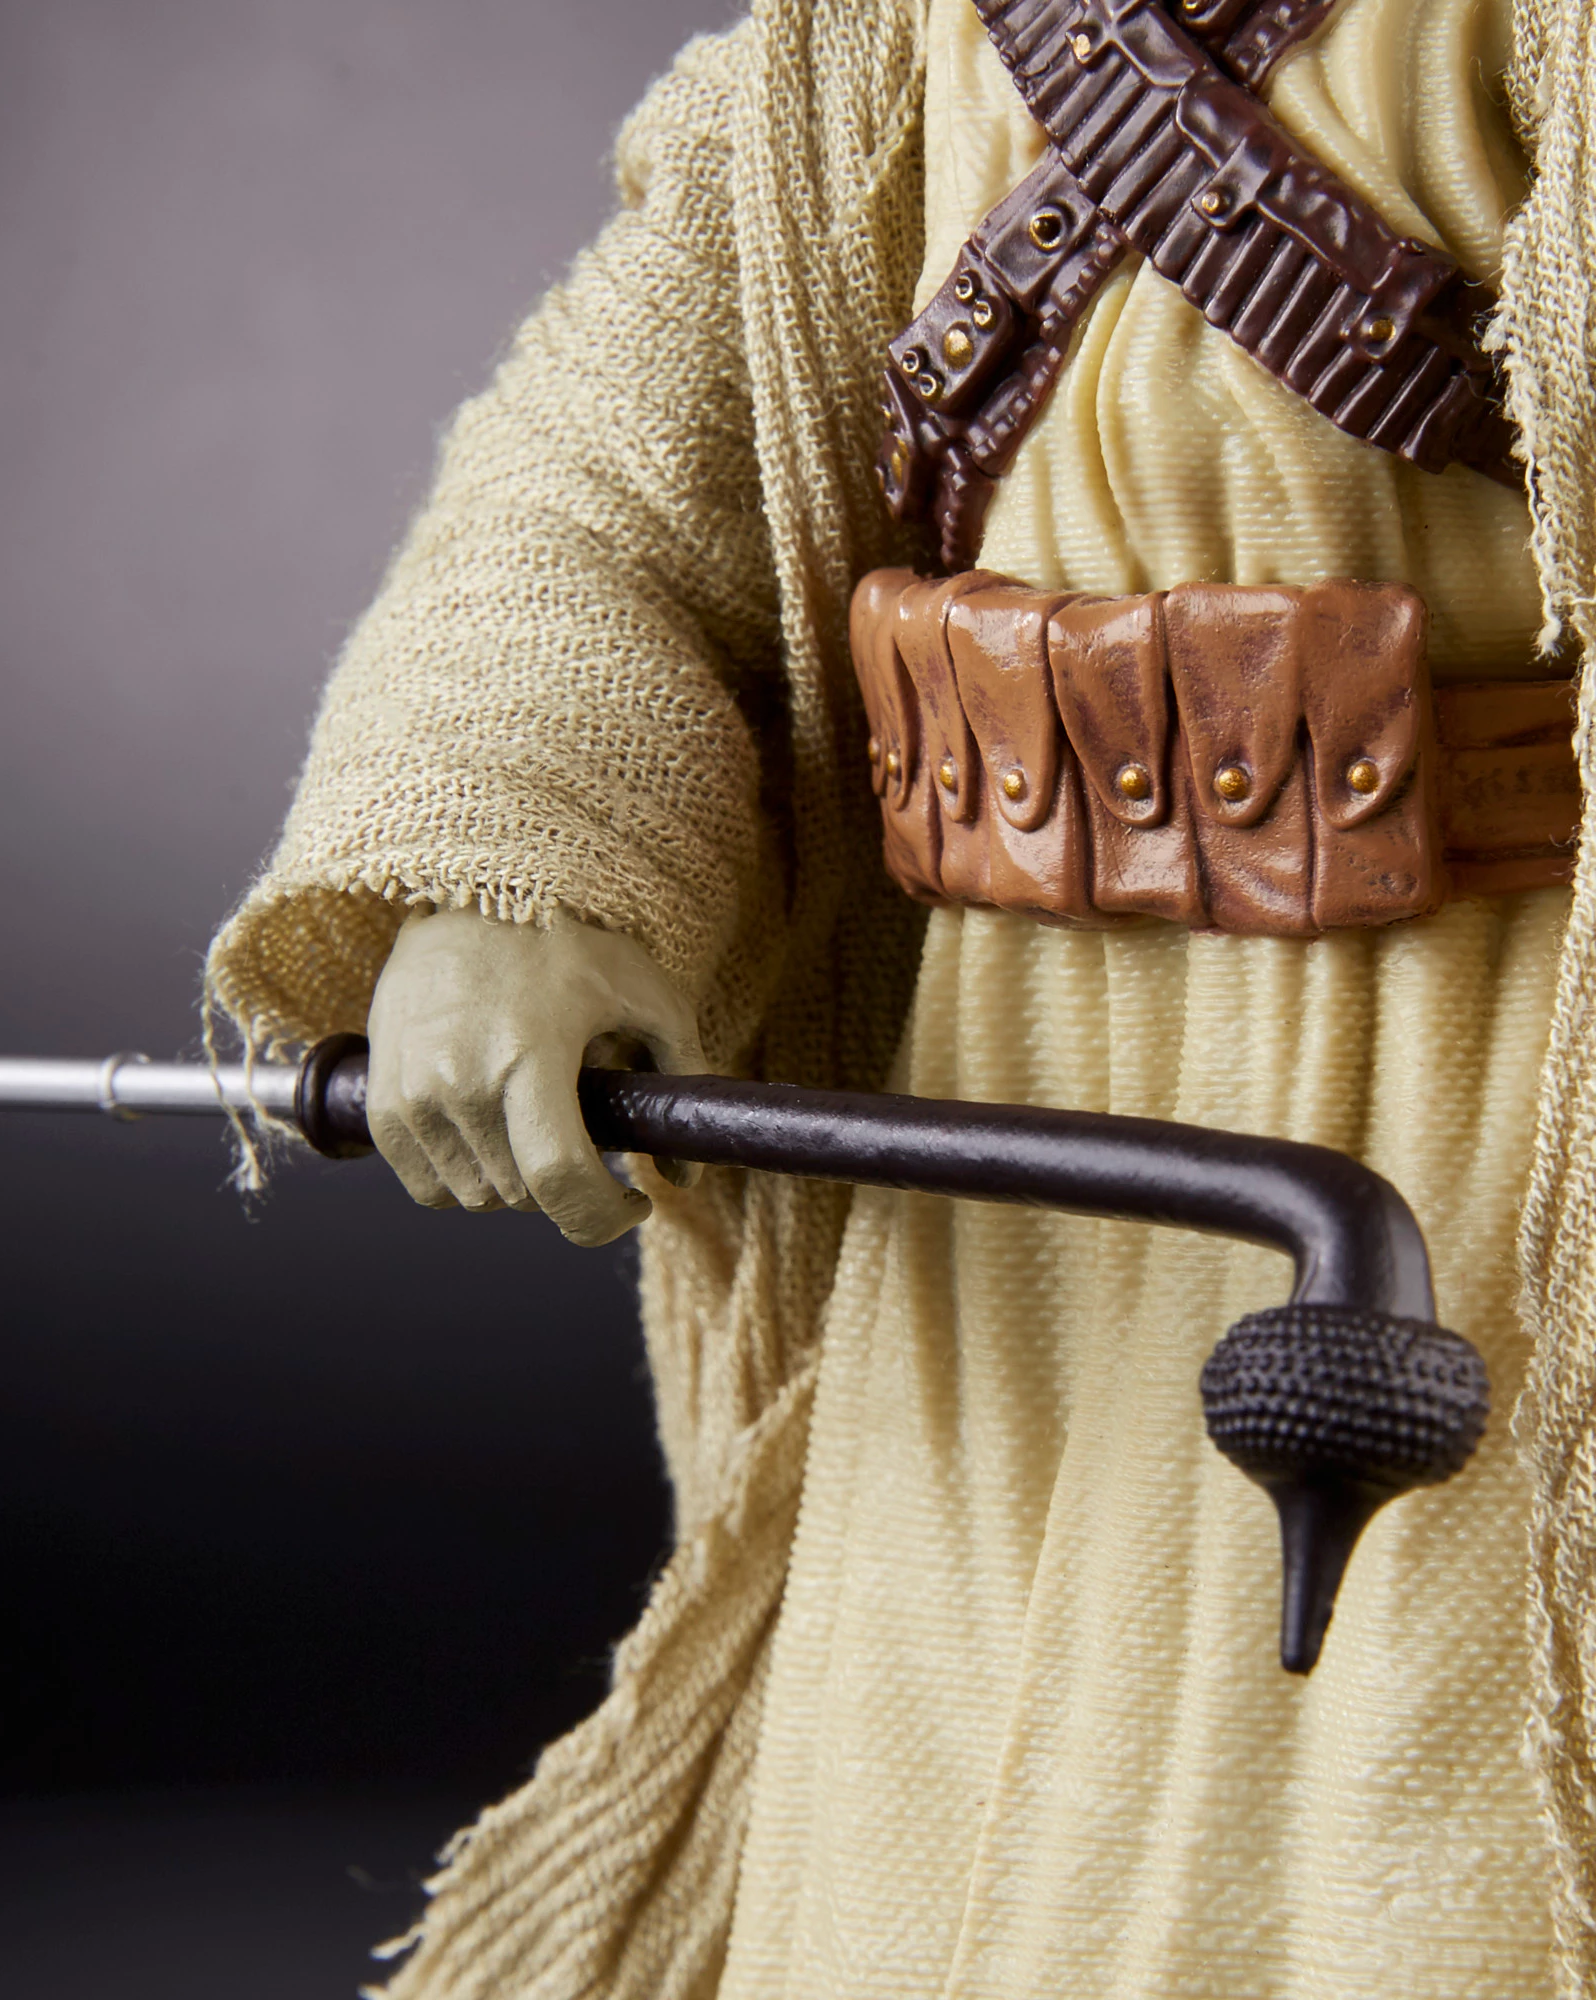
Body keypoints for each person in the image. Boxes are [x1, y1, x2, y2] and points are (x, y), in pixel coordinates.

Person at [207, 0, 1596, 1988]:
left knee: (1435, 1838)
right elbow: (600, 490)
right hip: (1005, 1151)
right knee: (914, 1831)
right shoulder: (870, 49)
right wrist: (520, 874)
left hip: (1503, 1124)